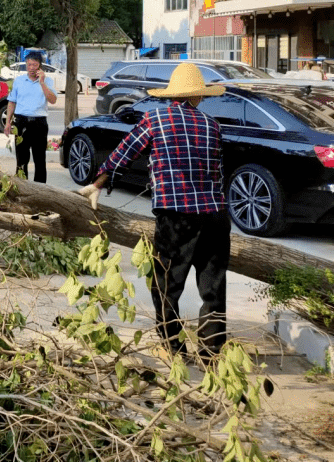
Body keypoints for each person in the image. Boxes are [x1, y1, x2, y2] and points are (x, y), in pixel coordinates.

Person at [79, 62, 229, 359]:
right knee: (213, 289)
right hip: (214, 216)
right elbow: (218, 174)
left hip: (176, 216)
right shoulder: (212, 125)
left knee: (167, 286)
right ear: (197, 96)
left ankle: (174, 348)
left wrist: (98, 184)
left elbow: (124, 152)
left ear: (172, 95)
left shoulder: (155, 119)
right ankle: (212, 355)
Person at [3, 52, 57, 183]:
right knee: (21, 159)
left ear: (40, 66)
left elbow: (53, 100)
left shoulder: (48, 81)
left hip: (39, 124)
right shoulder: (19, 81)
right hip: (21, 122)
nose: (31, 67)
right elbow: (12, 102)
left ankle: (40, 190)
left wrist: (42, 82)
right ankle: (21, 188)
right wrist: (8, 122)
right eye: (29, 64)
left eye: (34, 64)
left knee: (39, 159)